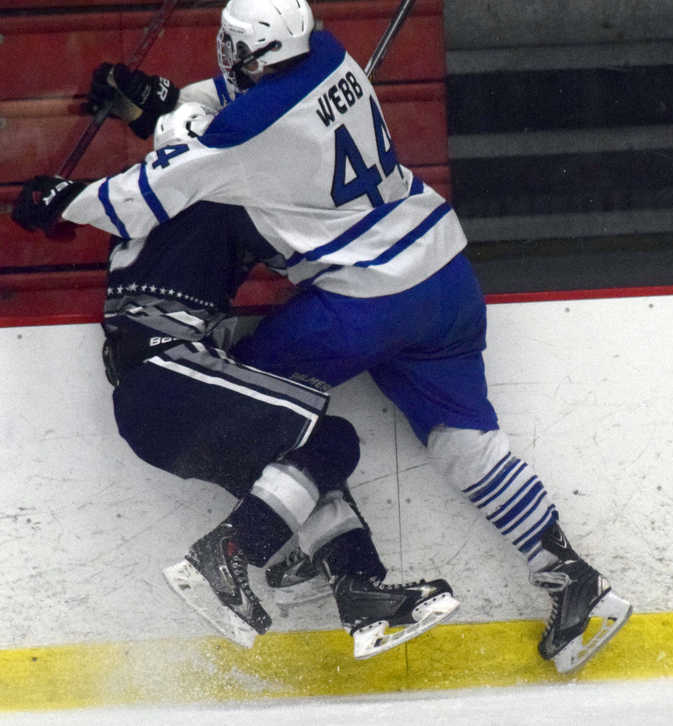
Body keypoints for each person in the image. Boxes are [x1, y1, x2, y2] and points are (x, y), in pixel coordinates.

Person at [12, 0, 630, 673]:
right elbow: (233, 99)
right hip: (446, 278)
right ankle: (573, 580)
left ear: (253, 49)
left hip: (368, 299)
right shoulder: (328, 53)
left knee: (253, 408)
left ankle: (306, 543)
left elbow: (142, 194)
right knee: (465, 442)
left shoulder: (241, 137)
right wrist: (164, 102)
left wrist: (58, 199)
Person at [11, 110, 458, 658]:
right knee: (327, 441)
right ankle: (227, 553)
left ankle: (357, 586)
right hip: (173, 376)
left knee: (301, 471)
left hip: (149, 403)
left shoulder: (136, 207)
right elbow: (313, 239)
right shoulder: (216, 201)